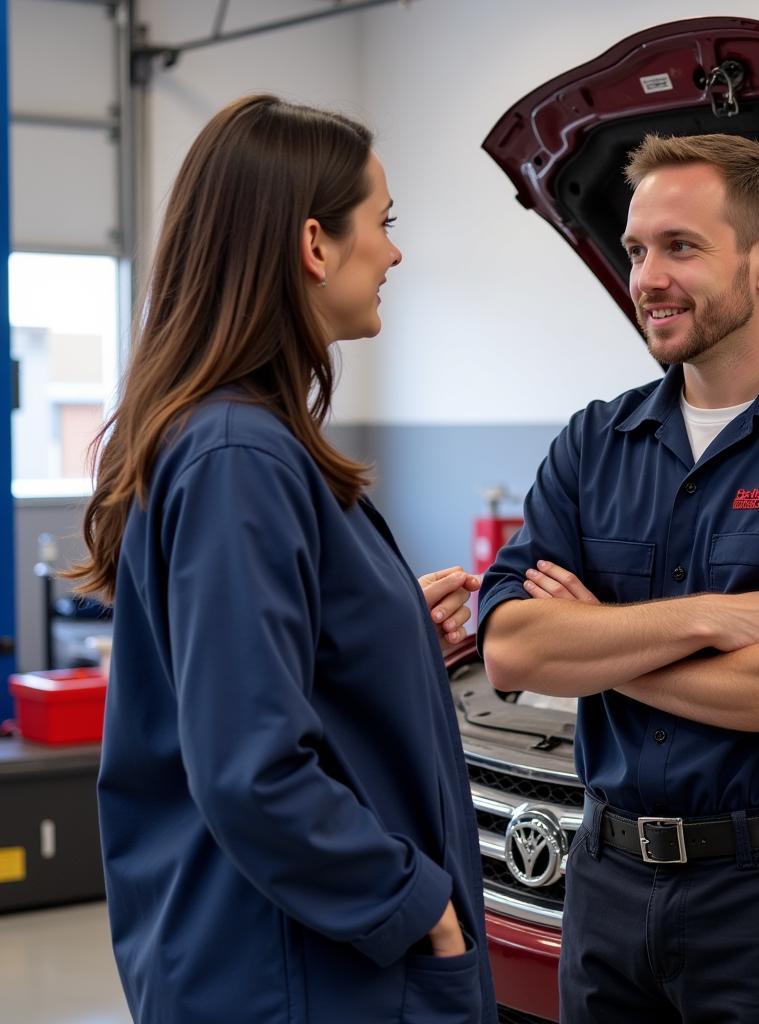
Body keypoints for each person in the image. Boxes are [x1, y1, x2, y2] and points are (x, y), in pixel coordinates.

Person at [478, 134, 759, 1023]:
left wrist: (601, 643)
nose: (646, 277)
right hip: (601, 882)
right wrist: (707, 618)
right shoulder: (592, 443)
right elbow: (509, 650)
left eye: (680, 247)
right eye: (638, 249)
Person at [70, 95, 495, 1024]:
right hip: (309, 974)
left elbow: (264, 680)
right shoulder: (240, 457)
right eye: (381, 225)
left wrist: (385, 636)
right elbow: (252, 769)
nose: (393, 253)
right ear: (314, 243)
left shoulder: (235, 443)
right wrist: (419, 908)